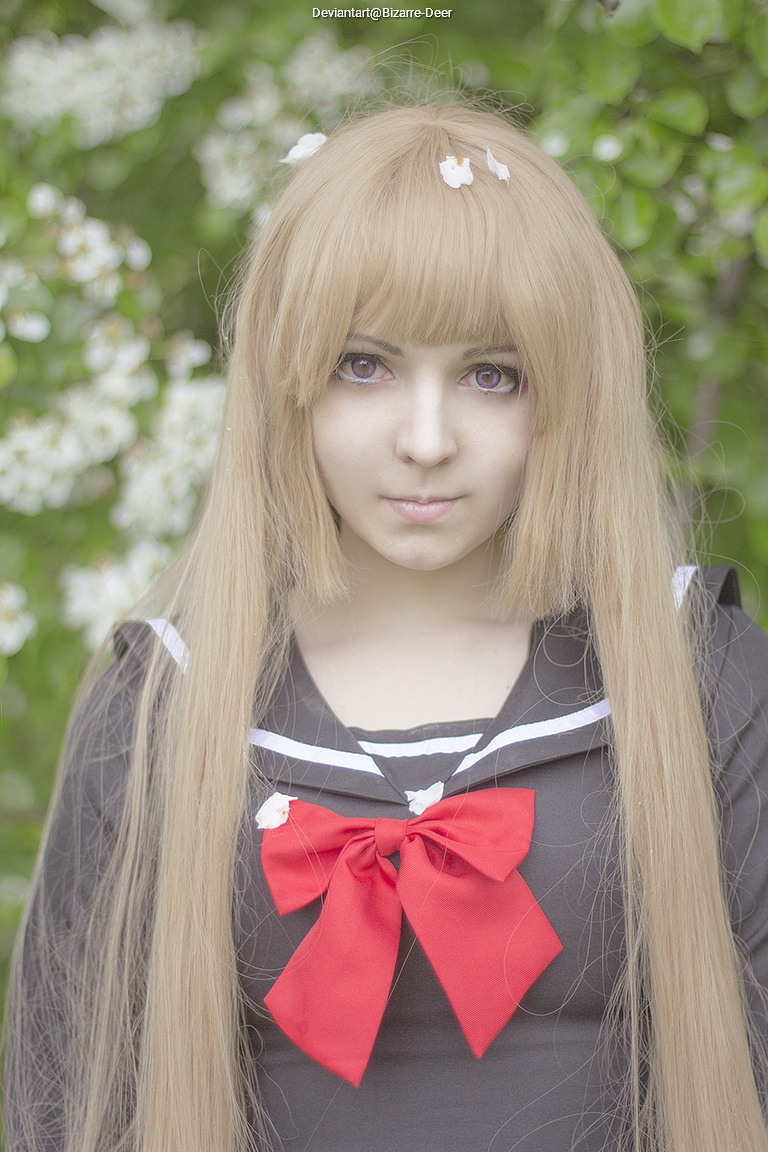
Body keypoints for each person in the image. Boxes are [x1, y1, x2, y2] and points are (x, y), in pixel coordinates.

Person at [4, 101, 768, 1152]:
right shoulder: (158, 713)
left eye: (492, 375)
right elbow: (63, 1110)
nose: (426, 440)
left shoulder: (699, 678)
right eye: (363, 365)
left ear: (566, 395)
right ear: (286, 383)